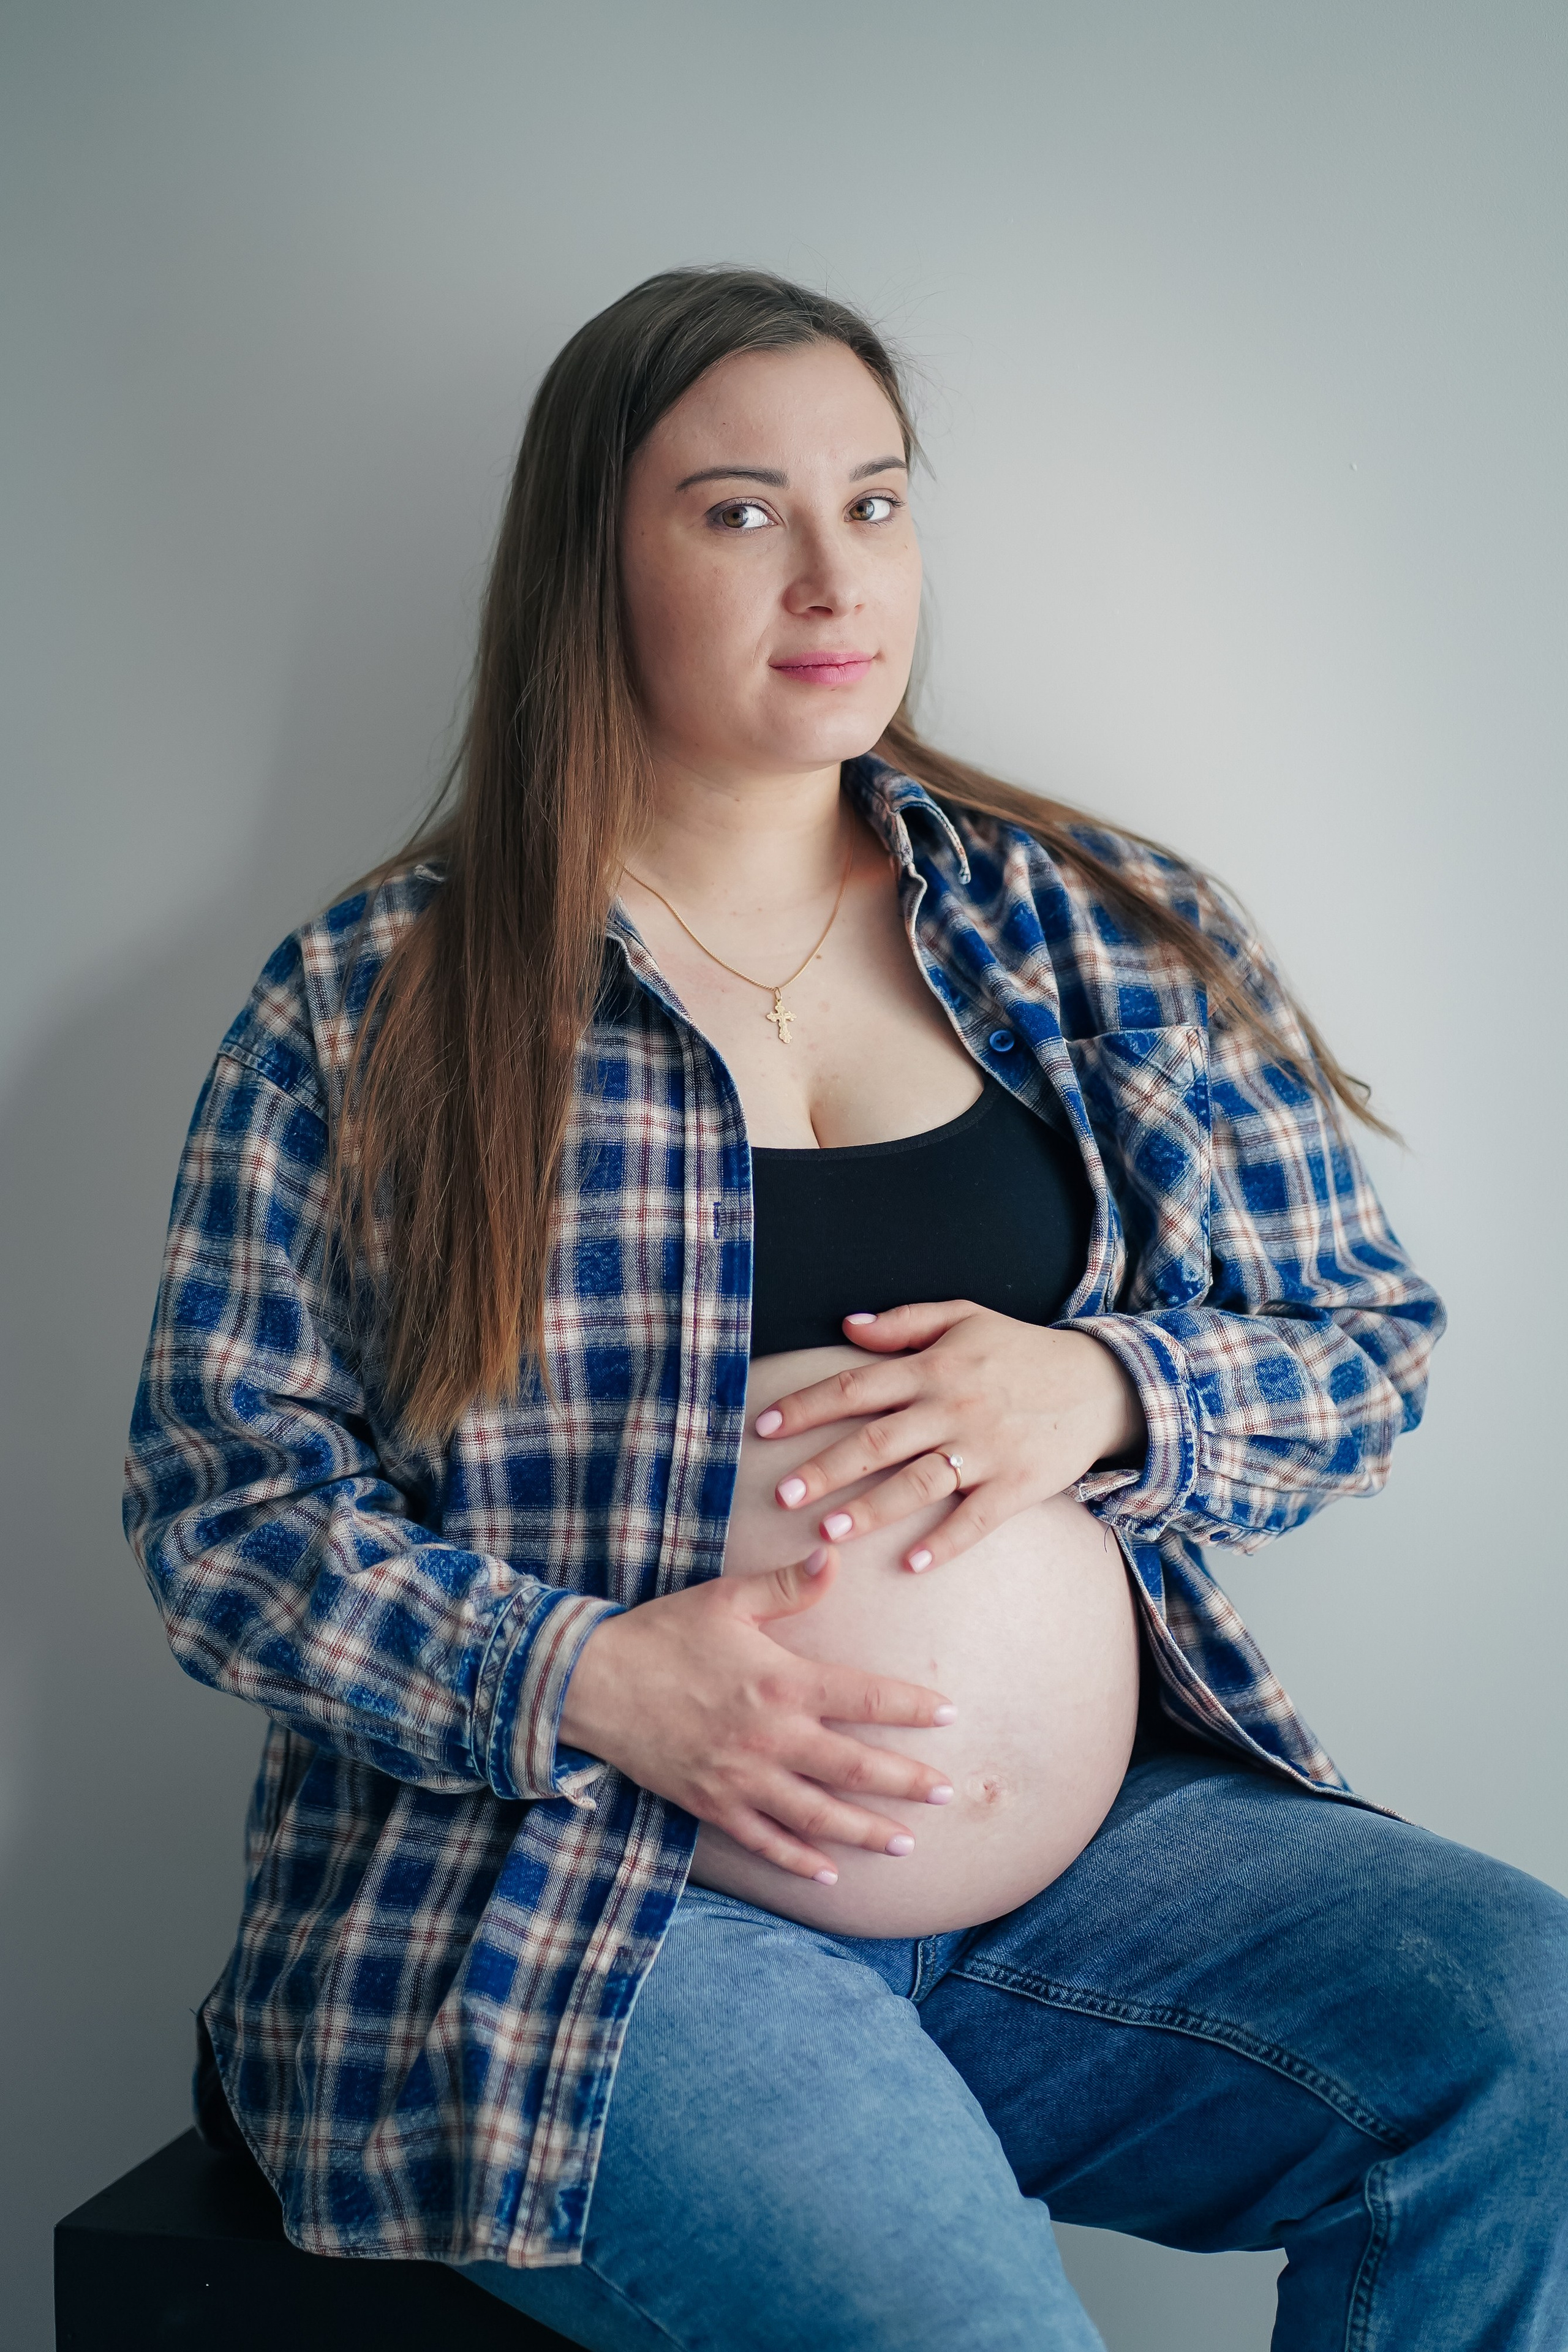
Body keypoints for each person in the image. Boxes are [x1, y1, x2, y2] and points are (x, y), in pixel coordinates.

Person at [124, 268, 1567, 2350]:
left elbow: (1357, 1341)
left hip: (1082, 1894)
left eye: (876, 504)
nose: (832, 575)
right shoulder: (378, 1005)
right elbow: (226, 1514)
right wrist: (590, 1675)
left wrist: (1100, 1385)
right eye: (737, 512)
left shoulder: (1096, 934)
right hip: (597, 1926)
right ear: (588, 562)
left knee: (1522, 2031)